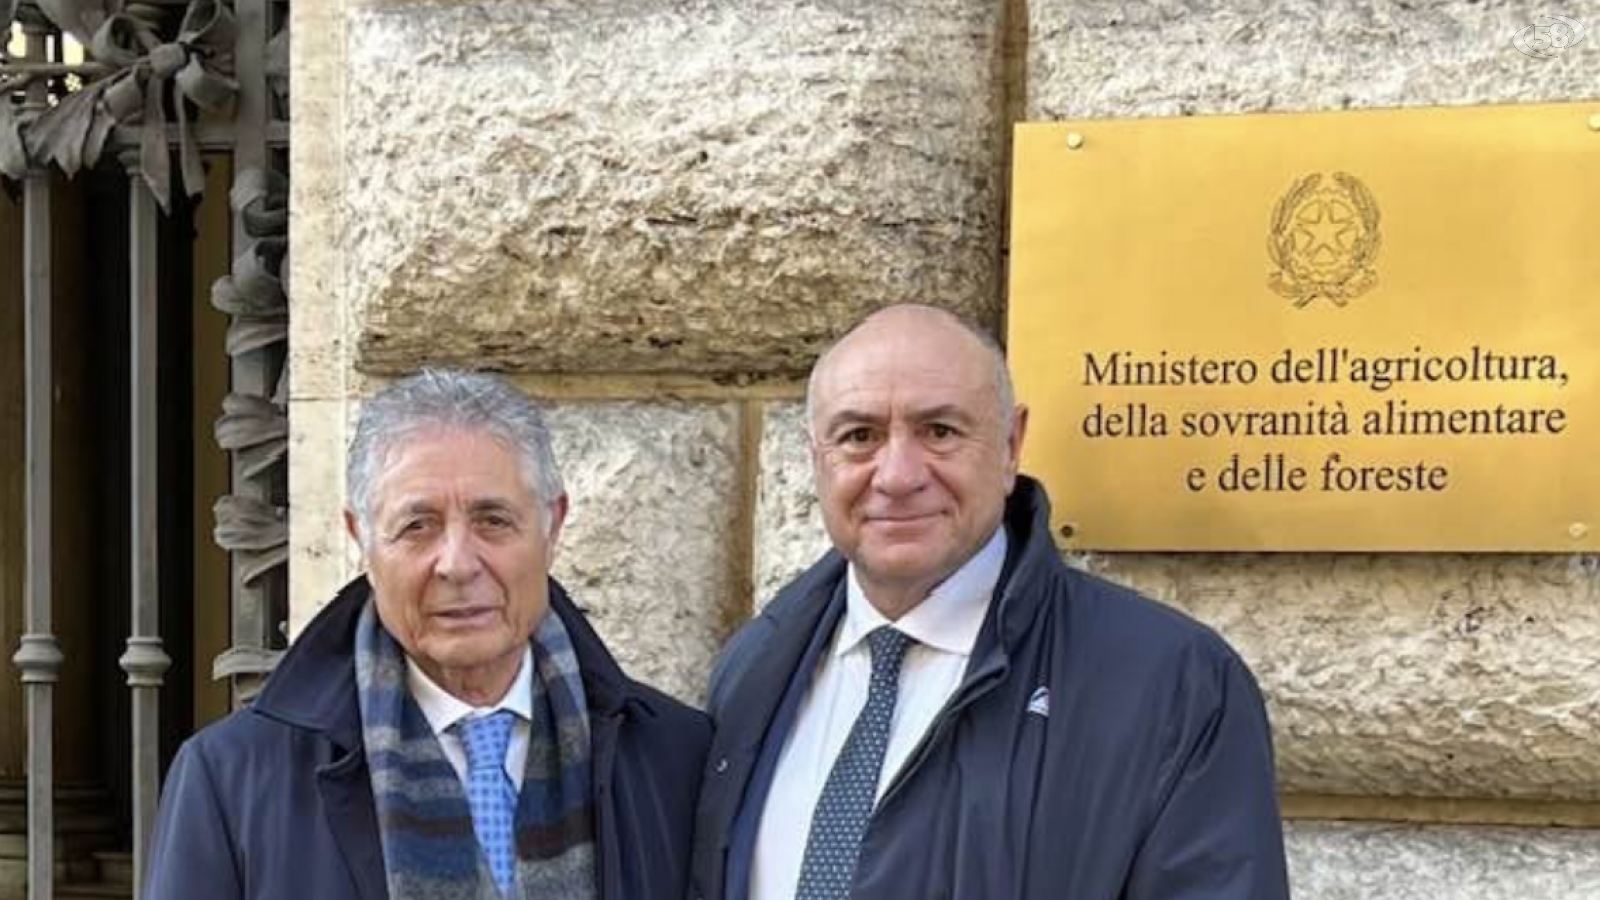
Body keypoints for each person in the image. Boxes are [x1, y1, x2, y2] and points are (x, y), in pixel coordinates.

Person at [690, 304, 1289, 900]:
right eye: (859, 436)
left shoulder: (1175, 686)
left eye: (939, 431)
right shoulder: (754, 670)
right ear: (816, 457)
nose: (897, 475)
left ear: (1010, 445)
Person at [146, 369, 708, 900]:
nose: (457, 564)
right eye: (418, 526)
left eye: (493, 520)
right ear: (361, 538)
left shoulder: (676, 758)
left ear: (552, 524)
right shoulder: (233, 780)